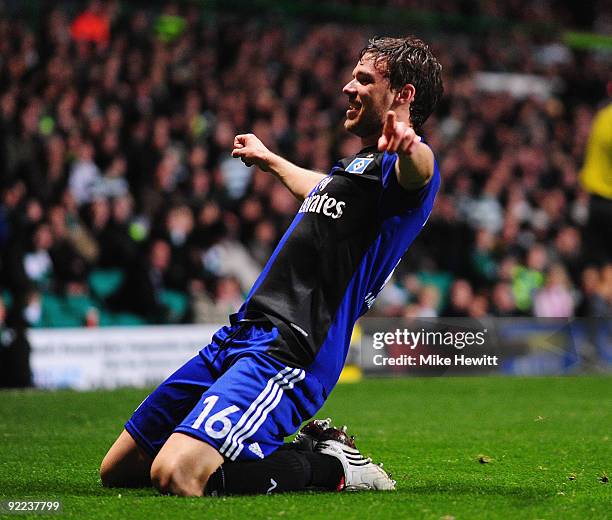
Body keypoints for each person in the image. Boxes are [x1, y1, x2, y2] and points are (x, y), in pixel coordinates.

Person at [100, 36, 443, 497]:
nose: (348, 87)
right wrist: (271, 160)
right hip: (242, 332)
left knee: (177, 475)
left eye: (364, 79)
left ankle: (329, 466)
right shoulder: (358, 168)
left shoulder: (403, 171)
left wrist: (408, 145)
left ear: (403, 95)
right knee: (119, 468)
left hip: (290, 349)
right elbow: (321, 189)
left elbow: (420, 171)